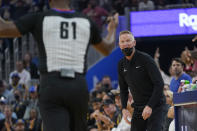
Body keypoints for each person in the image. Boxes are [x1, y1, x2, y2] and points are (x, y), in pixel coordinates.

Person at [0, 0, 119, 130]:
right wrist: (112, 29)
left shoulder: (41, 18)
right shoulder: (86, 21)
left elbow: (2, 29)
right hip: (78, 87)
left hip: (52, 84)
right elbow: (107, 48)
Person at [117, 30, 165, 131]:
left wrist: (150, 106)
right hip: (138, 106)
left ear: (134, 43)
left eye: (128, 41)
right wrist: (124, 108)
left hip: (155, 105)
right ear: (119, 45)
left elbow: (159, 84)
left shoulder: (146, 59)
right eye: (122, 41)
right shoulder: (121, 64)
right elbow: (123, 89)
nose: (125, 44)